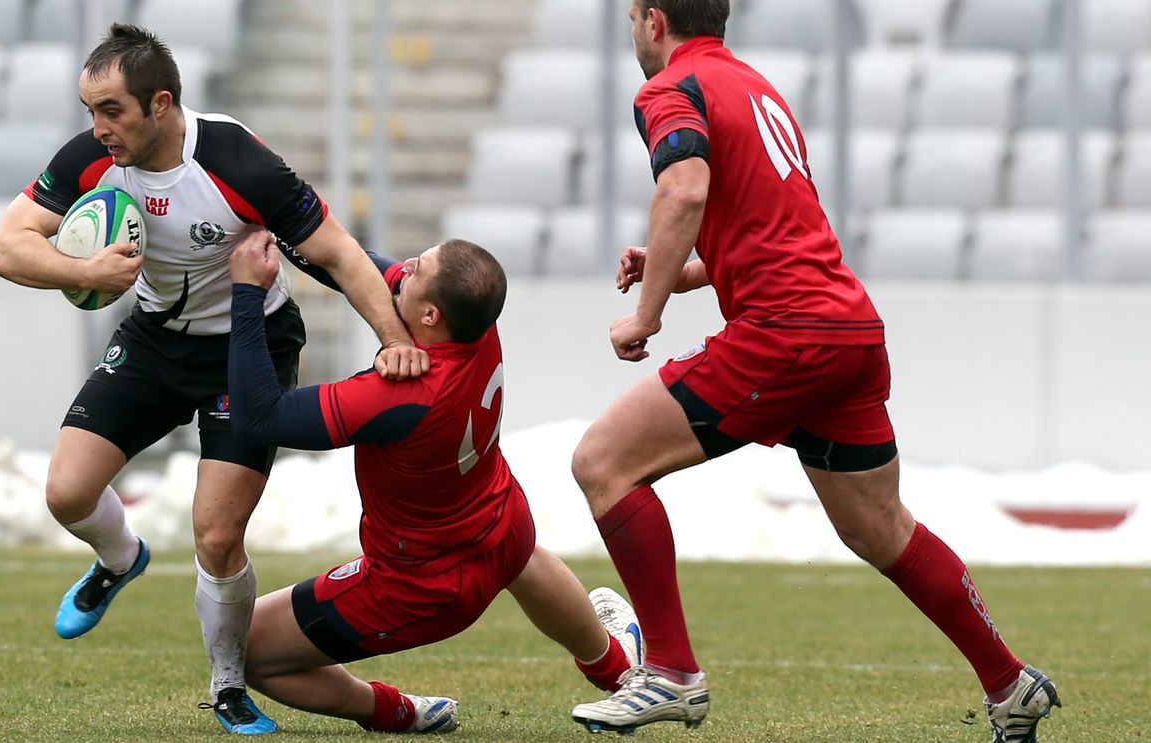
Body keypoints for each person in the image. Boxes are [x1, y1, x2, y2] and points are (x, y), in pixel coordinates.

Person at [567, 2, 1062, 740]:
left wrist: (648, 310)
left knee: (603, 463)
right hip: (846, 329)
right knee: (880, 528)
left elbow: (684, 189)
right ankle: (1009, 681)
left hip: (785, 334)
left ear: (652, 20)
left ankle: (669, 672)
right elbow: (770, 225)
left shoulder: (669, 88)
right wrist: (690, 270)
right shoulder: (754, 86)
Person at [0, 24, 429, 735]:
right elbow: (6, 246)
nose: (97, 128)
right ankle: (119, 557)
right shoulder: (90, 160)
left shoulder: (238, 160)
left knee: (217, 535)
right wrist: (83, 273)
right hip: (156, 339)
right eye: (89, 110)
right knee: (66, 491)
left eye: (112, 111)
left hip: (248, 348)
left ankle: (227, 683)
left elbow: (342, 254)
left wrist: (396, 341)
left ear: (160, 103)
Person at [224, 233, 643, 733]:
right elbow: (353, 265)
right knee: (523, 558)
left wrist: (247, 291)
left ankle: (398, 711)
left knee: (244, 651)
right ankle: (617, 670)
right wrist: (289, 224)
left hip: (420, 584)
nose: (404, 267)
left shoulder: (400, 395)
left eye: (417, 268)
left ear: (429, 317)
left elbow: (259, 419)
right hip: (498, 516)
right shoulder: (478, 324)